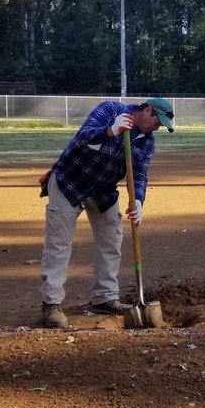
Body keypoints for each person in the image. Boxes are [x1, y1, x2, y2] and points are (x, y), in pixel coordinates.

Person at [39, 98, 175, 328]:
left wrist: (138, 201)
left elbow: (139, 175)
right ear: (147, 110)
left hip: (102, 191)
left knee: (112, 240)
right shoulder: (111, 110)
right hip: (69, 182)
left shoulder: (146, 142)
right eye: (156, 121)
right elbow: (83, 137)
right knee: (59, 243)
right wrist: (110, 130)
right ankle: (51, 304)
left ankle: (105, 297)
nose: (157, 127)